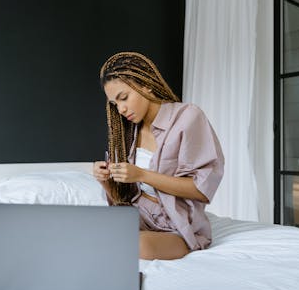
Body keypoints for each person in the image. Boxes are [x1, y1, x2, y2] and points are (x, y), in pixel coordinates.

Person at [93, 51, 224, 260]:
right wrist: (106, 181)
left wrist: (142, 175)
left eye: (124, 98)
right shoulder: (128, 132)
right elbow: (122, 199)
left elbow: (201, 189)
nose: (122, 109)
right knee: (86, 234)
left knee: (137, 245)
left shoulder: (188, 117)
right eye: (115, 104)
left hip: (175, 226)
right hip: (137, 216)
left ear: (146, 84)